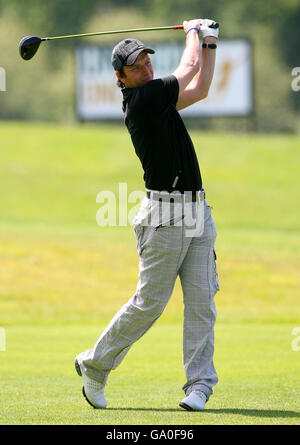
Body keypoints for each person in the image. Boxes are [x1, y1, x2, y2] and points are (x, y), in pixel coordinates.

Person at [75, 18, 220, 411]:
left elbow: (202, 87)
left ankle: (200, 386)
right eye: (136, 66)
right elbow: (187, 70)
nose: (146, 68)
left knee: (202, 301)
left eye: (147, 61)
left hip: (197, 210)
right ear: (122, 78)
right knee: (150, 303)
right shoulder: (143, 100)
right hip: (166, 215)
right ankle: (94, 365)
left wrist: (210, 42)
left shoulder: (157, 97)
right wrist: (193, 31)